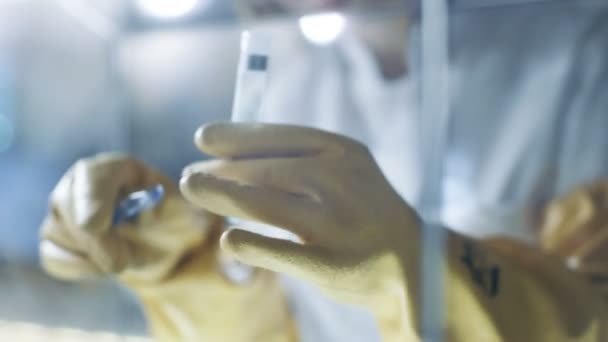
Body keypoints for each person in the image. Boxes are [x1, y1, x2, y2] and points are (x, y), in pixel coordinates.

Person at [38, 0, 608, 341]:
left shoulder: (582, 54)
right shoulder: (293, 78)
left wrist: (424, 266)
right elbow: (279, 323)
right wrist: (177, 255)